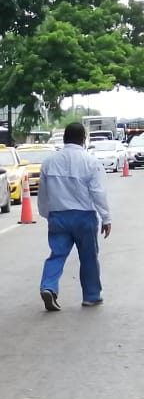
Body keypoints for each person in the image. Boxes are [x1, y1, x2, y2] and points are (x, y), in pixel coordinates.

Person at [37, 122, 112, 311]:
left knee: (57, 254)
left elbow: (43, 193)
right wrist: (106, 218)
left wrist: (47, 214)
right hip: (84, 217)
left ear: (64, 138)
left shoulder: (49, 162)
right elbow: (97, 192)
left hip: (58, 216)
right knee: (88, 257)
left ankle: (48, 287)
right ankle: (91, 296)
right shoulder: (90, 162)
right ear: (84, 139)